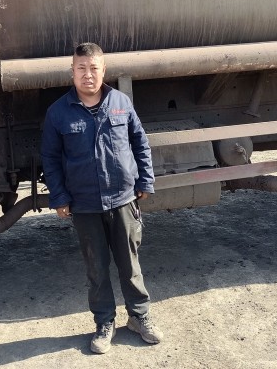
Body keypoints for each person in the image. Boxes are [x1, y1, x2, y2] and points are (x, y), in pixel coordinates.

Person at [41, 42, 164, 354]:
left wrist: (145, 180)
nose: (88, 74)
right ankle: (104, 322)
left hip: (122, 199)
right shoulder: (58, 113)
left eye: (94, 68)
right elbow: (50, 160)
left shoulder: (120, 102)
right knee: (96, 270)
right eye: (81, 68)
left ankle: (139, 317)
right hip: (84, 204)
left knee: (130, 264)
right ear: (72, 71)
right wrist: (59, 197)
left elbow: (140, 142)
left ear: (103, 70)